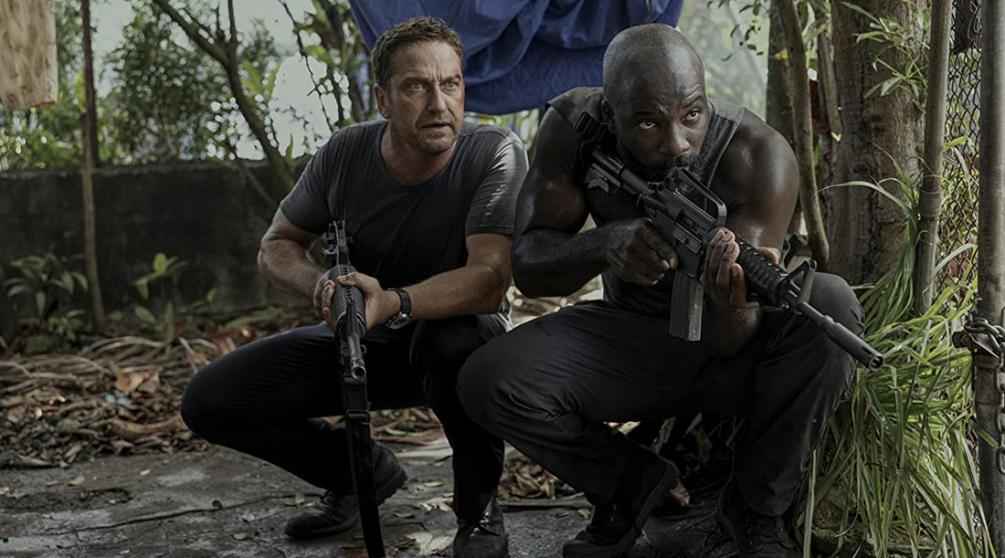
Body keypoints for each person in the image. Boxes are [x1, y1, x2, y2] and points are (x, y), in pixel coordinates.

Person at [457, 23, 861, 558]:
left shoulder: (758, 155)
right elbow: (528, 267)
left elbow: (729, 341)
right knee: (488, 379)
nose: (676, 143)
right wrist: (604, 244)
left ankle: (756, 509)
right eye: (648, 122)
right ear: (610, 114)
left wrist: (730, 298)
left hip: (737, 353)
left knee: (830, 305)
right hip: (630, 338)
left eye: (692, 115)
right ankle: (631, 484)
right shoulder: (576, 128)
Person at [180, 17, 527, 558]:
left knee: (454, 341)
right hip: (362, 337)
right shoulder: (345, 153)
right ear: (383, 99)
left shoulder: (493, 152)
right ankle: (356, 473)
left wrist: (393, 301)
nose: (439, 103)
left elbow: (488, 279)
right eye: (416, 86)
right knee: (209, 401)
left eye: (451, 84)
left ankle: (479, 511)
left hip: (455, 342)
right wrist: (321, 284)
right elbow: (276, 245)